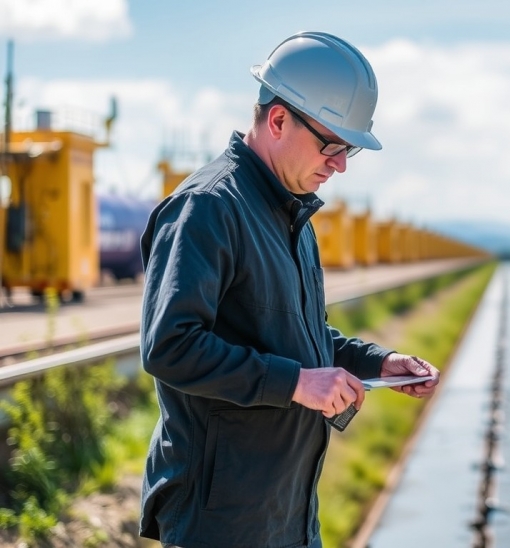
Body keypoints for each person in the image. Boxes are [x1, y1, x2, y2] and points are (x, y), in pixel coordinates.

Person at [138, 32, 440, 548]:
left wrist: (376, 362)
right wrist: (298, 384)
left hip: (287, 511)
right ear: (278, 120)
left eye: (349, 151)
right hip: (222, 520)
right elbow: (171, 346)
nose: (340, 164)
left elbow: (295, 332)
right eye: (333, 145)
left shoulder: (290, 214)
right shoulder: (209, 208)